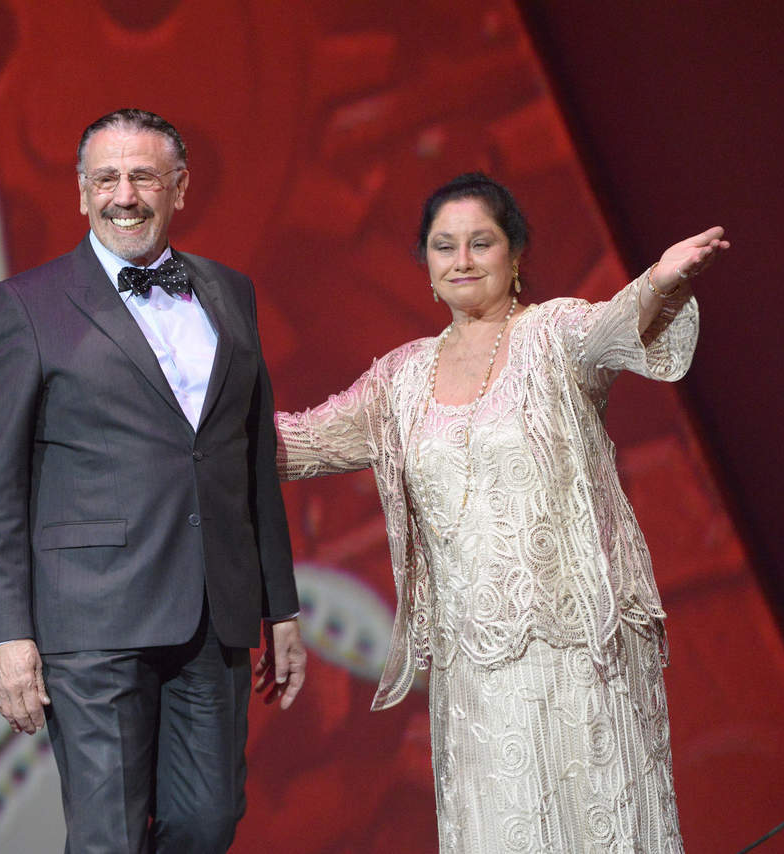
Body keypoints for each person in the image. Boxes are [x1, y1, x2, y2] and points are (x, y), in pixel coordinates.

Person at [274, 173, 727, 853]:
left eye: (480, 243)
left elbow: (614, 327)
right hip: (478, 673)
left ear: (514, 255)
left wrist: (660, 280)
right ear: (426, 265)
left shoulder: (552, 334)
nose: (461, 260)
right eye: (443, 246)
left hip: (578, 648)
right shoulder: (399, 379)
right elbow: (301, 442)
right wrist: (184, 420)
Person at [0, 108, 306, 853]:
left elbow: (249, 456)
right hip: (91, 621)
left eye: (144, 176)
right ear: (81, 192)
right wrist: (6, 636)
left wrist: (278, 602)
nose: (126, 195)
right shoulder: (27, 305)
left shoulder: (229, 293)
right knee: (109, 838)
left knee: (208, 821)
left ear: (179, 188)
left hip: (213, 612)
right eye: (107, 178)